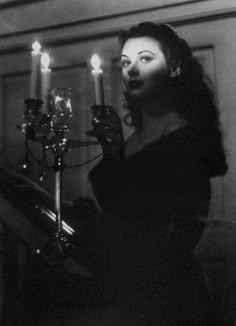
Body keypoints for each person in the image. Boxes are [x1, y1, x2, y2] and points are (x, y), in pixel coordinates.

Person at [84, 22, 228, 325]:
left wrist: (113, 157)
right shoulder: (132, 140)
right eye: (126, 62)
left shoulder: (190, 141)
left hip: (168, 301)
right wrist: (113, 150)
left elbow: (136, 216)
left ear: (174, 67)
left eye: (146, 58)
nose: (132, 69)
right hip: (123, 292)